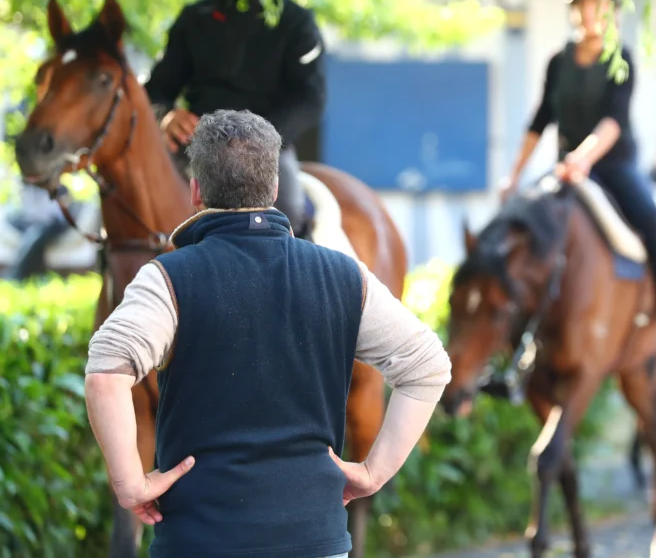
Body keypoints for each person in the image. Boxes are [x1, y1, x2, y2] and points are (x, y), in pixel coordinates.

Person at [83, 110, 451, 558]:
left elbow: (106, 371)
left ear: (196, 190)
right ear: (275, 188)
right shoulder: (345, 275)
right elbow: (429, 365)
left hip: (199, 541)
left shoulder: (165, 278)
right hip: (317, 540)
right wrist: (374, 471)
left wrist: (130, 484)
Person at [500, 0, 656, 322]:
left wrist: (583, 157)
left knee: (652, 219)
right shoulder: (558, 62)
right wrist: (513, 177)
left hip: (611, 166)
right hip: (567, 168)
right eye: (581, 5)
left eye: (596, 6)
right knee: (522, 221)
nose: (588, 14)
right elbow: (539, 122)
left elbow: (613, 121)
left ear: (613, 12)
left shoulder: (621, 59)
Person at [144, 0, 325, 239]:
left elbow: (310, 99)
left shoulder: (296, 22)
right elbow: (156, 90)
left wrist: (260, 143)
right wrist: (166, 115)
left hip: (267, 156)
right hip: (193, 153)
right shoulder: (191, 20)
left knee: (288, 221)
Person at [2, 182, 71, 281]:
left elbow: (52, 214)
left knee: (35, 233)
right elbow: (27, 212)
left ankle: (17, 274)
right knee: (34, 235)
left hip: (54, 224)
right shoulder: (26, 187)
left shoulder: (56, 186)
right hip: (34, 223)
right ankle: (40, 275)